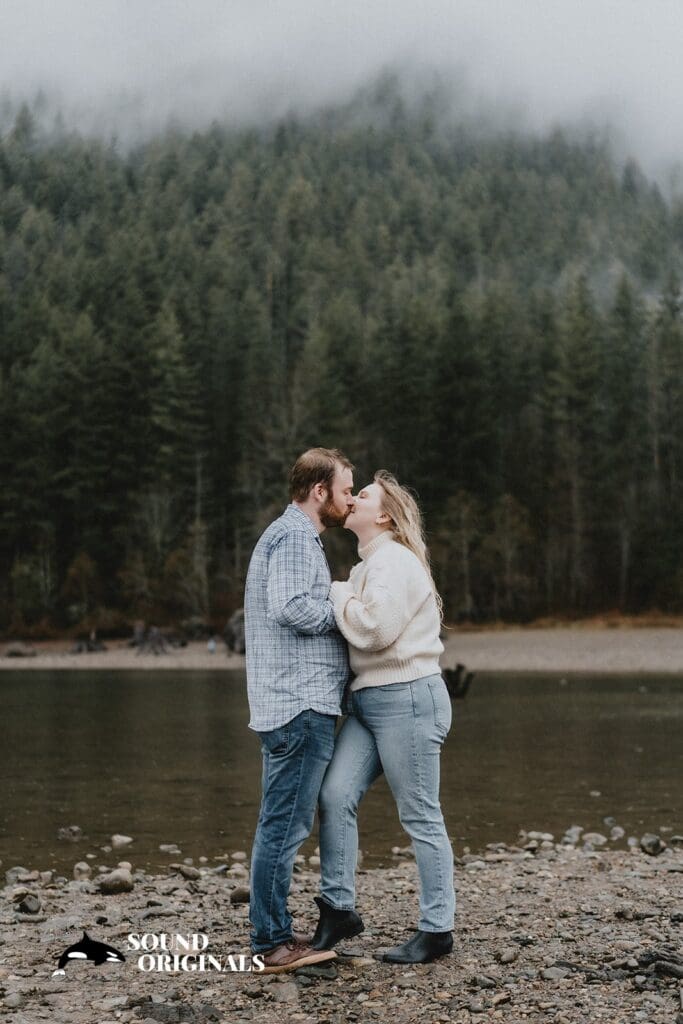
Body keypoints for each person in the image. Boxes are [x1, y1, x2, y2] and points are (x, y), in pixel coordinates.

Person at [312, 470, 455, 964]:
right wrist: (342, 590)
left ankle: (437, 930)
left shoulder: (393, 560)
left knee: (420, 815)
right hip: (369, 701)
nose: (351, 498)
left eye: (363, 494)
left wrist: (334, 593)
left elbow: (373, 630)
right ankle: (338, 908)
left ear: (385, 515)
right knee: (334, 796)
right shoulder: (364, 567)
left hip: (409, 698)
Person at [244, 447, 355, 973]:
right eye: (345, 490)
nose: (349, 499)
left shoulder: (291, 535)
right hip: (300, 704)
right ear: (319, 492)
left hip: (290, 702)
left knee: (280, 823)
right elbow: (288, 606)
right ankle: (271, 944)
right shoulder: (293, 536)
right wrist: (345, 613)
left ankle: (271, 935)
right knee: (284, 827)